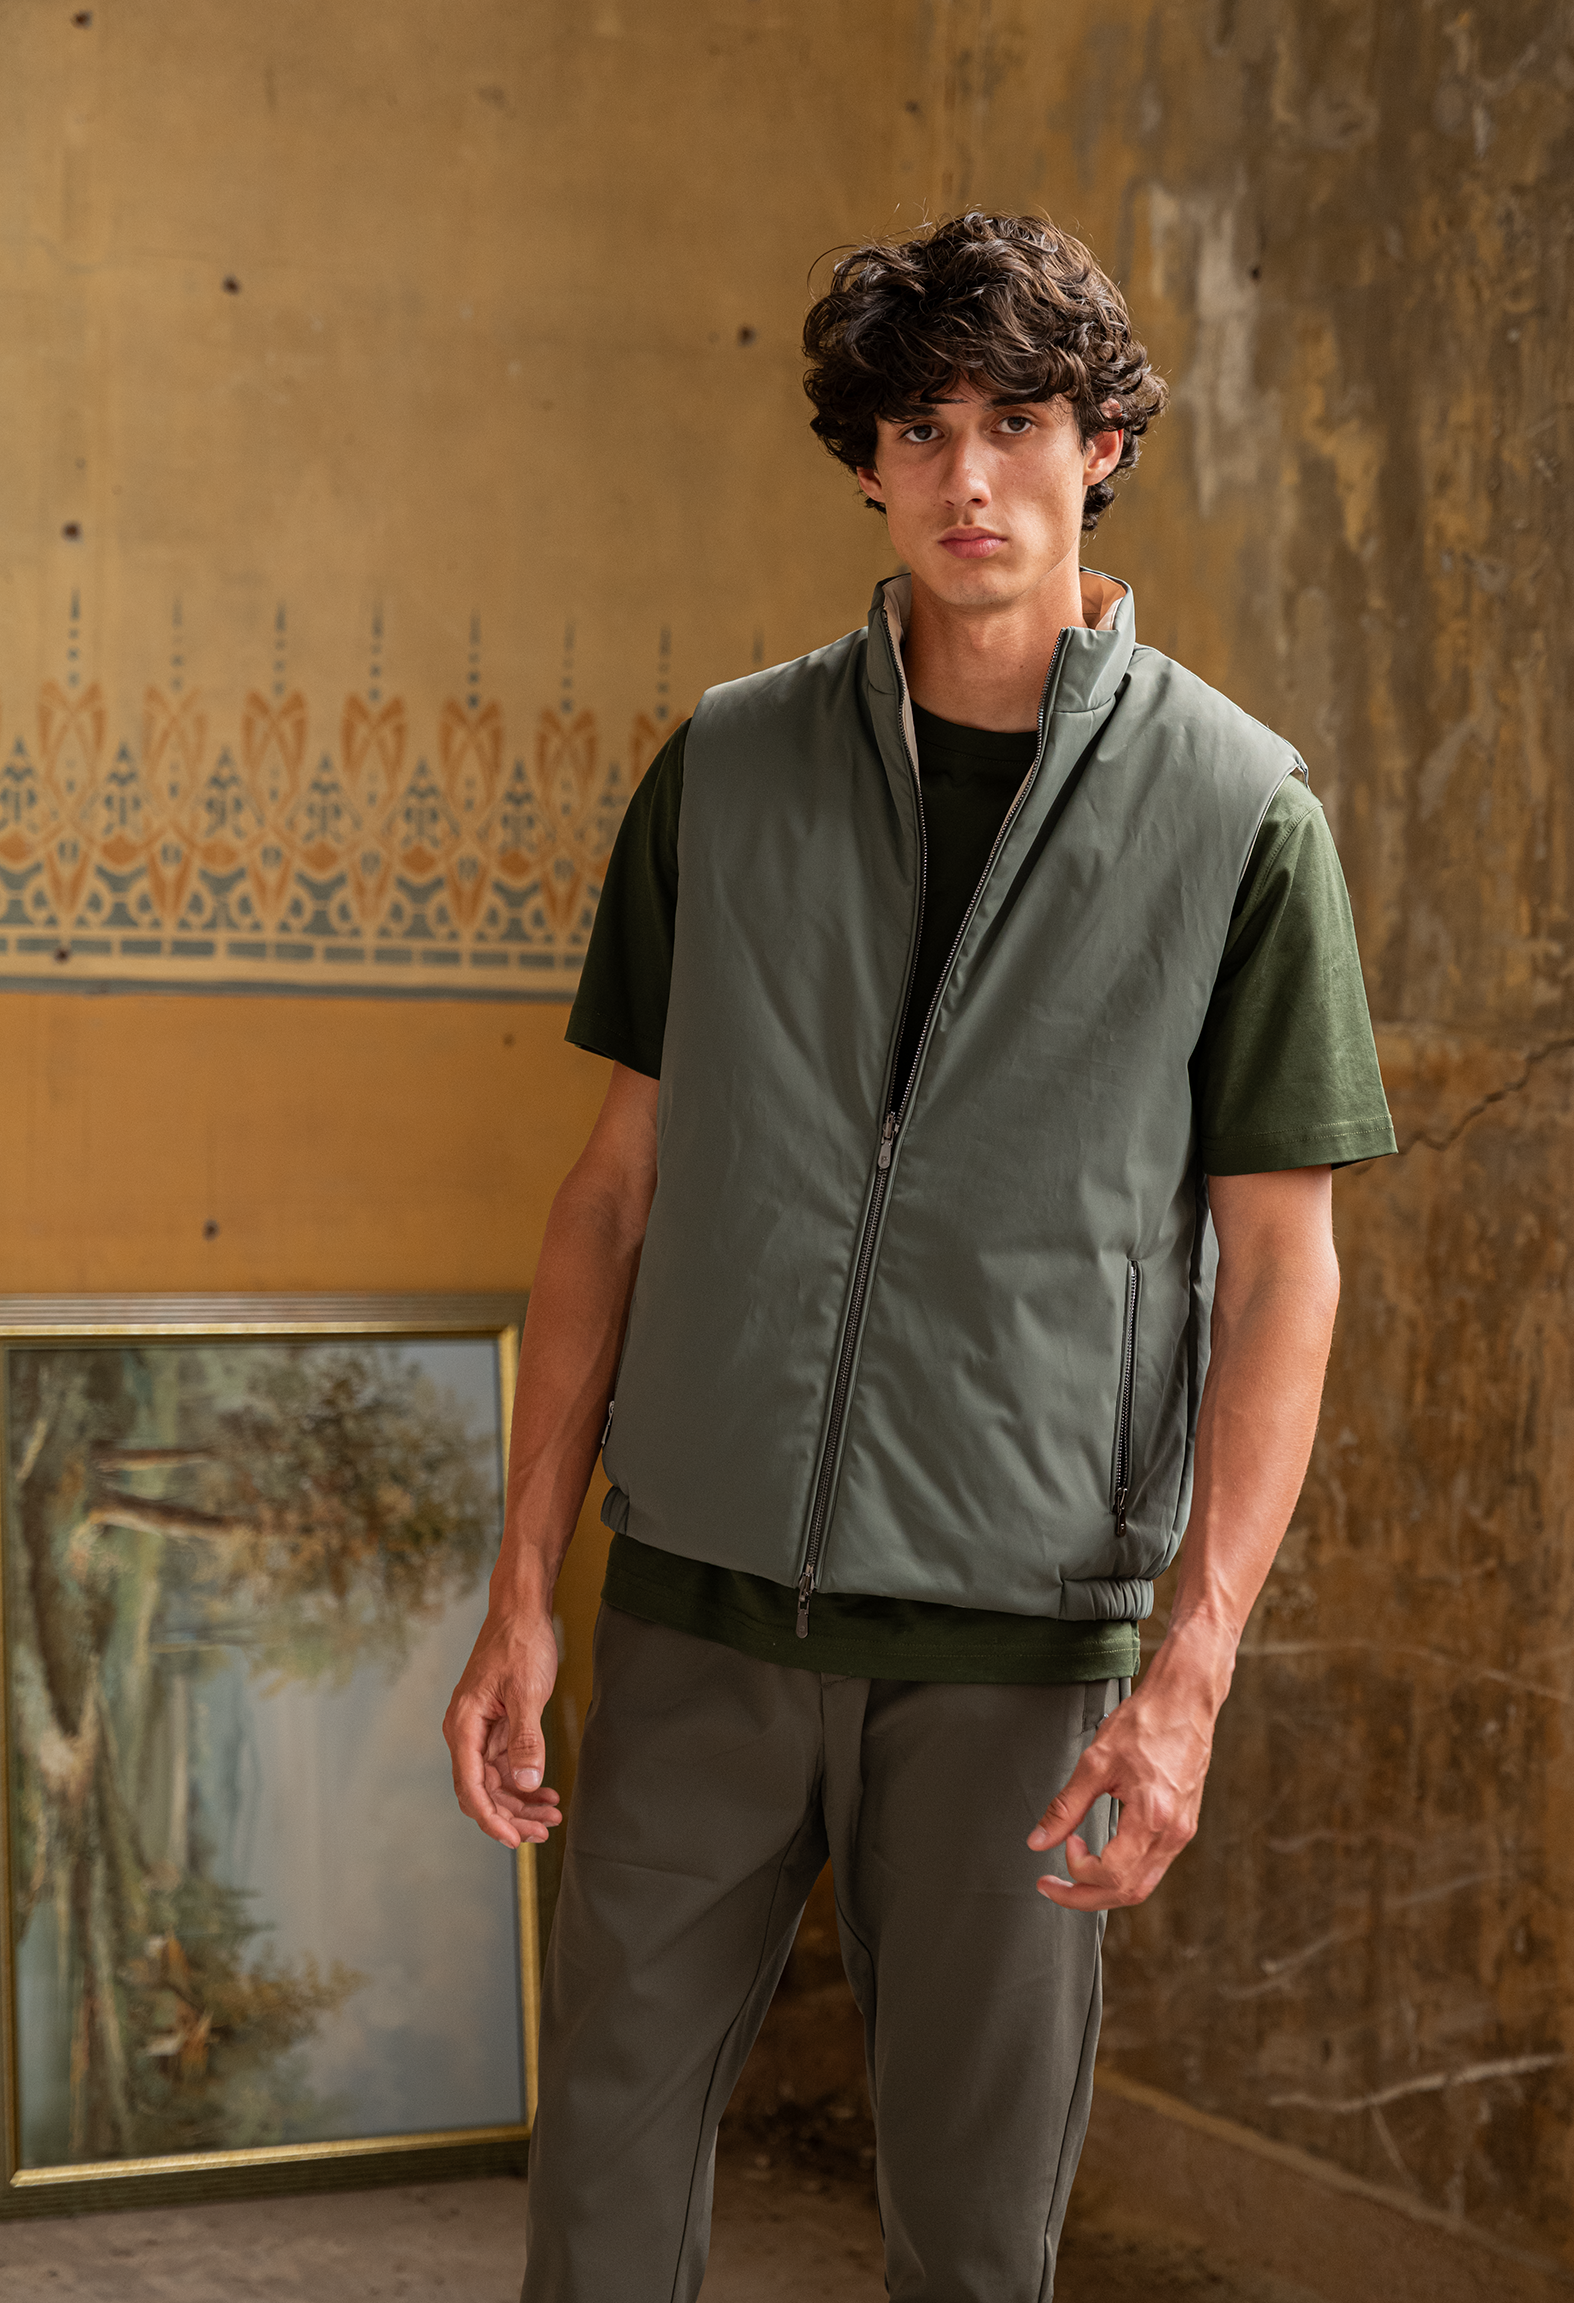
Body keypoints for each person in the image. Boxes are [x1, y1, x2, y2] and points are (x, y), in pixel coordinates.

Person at [443, 209, 1396, 2302]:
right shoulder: (725, 769)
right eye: (919, 427)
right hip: (700, 1613)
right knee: (597, 2198)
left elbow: (1284, 1271)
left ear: (1106, 443)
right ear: (865, 460)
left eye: (1020, 422)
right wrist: (526, 1580)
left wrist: (1190, 1675)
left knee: (972, 2238)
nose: (972, 478)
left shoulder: (1243, 816)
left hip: (1015, 1656)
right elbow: (614, 1190)